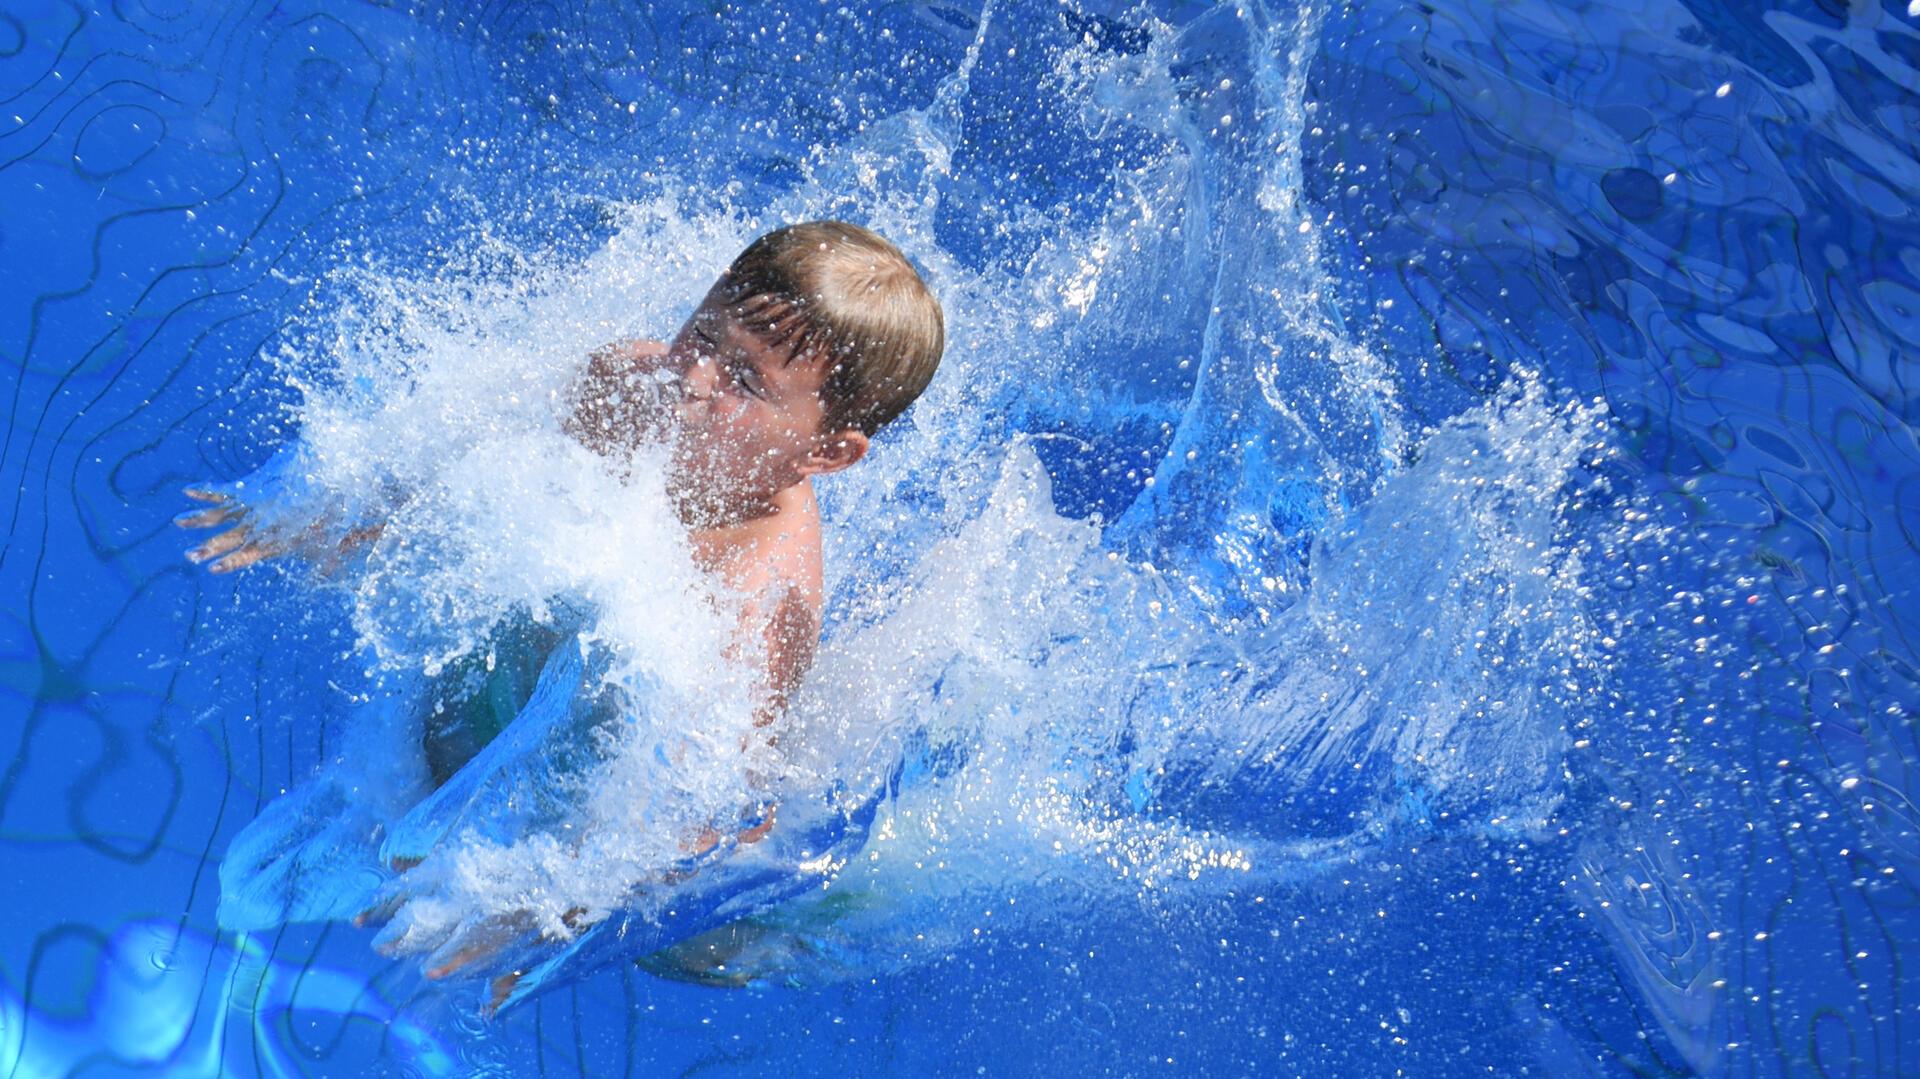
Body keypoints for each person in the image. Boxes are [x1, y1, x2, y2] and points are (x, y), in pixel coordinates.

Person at [176, 219, 945, 1003]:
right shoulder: (627, 384)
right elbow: (480, 476)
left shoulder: (760, 596)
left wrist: (555, 918)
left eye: (744, 381)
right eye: (703, 332)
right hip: (556, 676)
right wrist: (337, 521)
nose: (695, 375)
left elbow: (718, 819)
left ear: (827, 453)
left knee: (707, 951)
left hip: (684, 837)